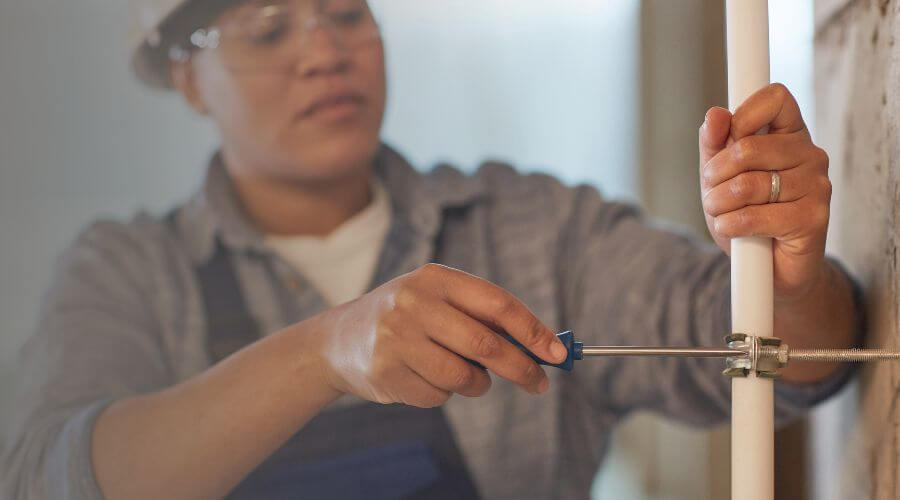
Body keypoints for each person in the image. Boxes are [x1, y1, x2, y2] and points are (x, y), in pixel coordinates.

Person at [1, 0, 861, 499]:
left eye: (345, 13)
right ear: (188, 80)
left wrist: (784, 275)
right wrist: (320, 352)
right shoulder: (128, 273)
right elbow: (51, 475)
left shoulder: (533, 229)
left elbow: (768, 352)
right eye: (268, 28)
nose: (325, 52)